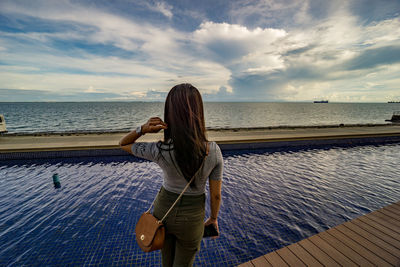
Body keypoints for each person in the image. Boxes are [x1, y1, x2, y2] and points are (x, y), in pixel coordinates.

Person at [119, 83, 223, 267]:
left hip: (163, 212)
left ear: (170, 113)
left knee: (166, 261)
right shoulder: (213, 151)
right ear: (199, 112)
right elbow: (216, 195)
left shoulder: (160, 149)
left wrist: (142, 129)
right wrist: (213, 218)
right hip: (192, 220)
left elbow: (123, 144)